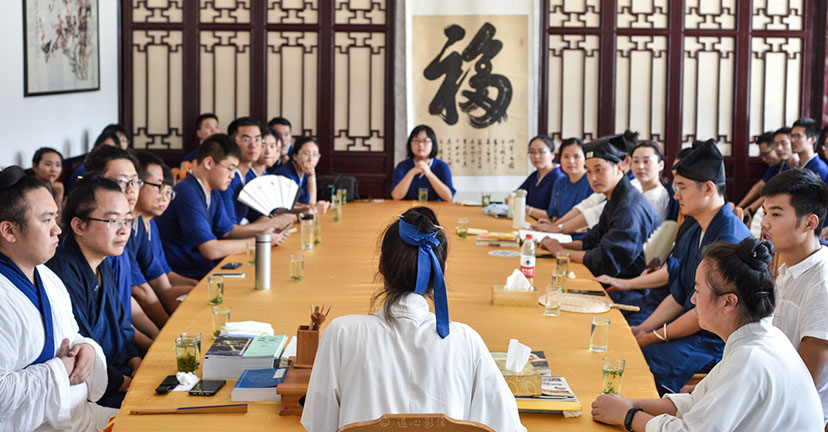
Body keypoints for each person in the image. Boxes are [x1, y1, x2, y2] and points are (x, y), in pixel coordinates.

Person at [302, 207, 525, 432]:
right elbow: (508, 427)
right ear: (442, 271)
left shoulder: (341, 334)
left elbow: (319, 424)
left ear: (381, 265)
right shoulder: (467, 341)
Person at [591, 238, 823, 431]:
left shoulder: (750, 358)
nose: (692, 300)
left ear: (728, 302)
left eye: (698, 290)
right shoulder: (758, 338)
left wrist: (628, 416)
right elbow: (694, 402)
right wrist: (629, 403)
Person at [0, 166, 116, 431]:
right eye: (46, 220)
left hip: (79, 415)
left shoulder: (46, 276)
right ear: (9, 230)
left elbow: (71, 335)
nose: (57, 230)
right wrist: (59, 369)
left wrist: (86, 350)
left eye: (56, 218)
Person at [630, 141, 751, 393]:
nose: (676, 196)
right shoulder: (694, 227)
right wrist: (644, 329)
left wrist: (652, 336)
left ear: (708, 188)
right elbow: (678, 294)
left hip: (713, 338)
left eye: (682, 187)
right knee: (631, 339)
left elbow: (704, 312)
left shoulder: (728, 238)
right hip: (688, 325)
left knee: (647, 360)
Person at [46, 175, 143, 409]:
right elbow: (81, 352)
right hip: (95, 392)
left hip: (123, 376)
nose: (124, 231)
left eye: (127, 220)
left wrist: (138, 364)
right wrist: (131, 384)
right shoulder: (62, 273)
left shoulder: (101, 261)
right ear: (79, 225)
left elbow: (123, 325)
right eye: (113, 221)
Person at [539, 135, 660, 311]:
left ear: (619, 167)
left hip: (631, 294)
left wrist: (561, 252)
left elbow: (605, 261)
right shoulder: (615, 197)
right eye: (588, 171)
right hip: (611, 283)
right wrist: (558, 244)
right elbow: (593, 239)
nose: (593, 178)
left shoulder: (629, 207)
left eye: (599, 170)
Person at [155, 133, 294, 280]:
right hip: (186, 273)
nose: (232, 175)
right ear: (209, 163)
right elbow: (210, 250)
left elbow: (229, 231)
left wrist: (264, 233)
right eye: (230, 168)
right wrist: (261, 241)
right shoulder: (188, 192)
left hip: (204, 267)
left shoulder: (212, 191)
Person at [760, 168, 828, 425]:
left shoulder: (822, 283)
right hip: (773, 390)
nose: (765, 223)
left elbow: (805, 381)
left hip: (796, 414)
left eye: (776, 214)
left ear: (810, 223)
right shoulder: (787, 267)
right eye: (765, 212)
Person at [83, 146, 167, 348]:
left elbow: (125, 302)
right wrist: (152, 344)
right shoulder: (97, 240)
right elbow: (110, 321)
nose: (131, 189)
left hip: (127, 343)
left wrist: (159, 335)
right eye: (121, 181)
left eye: (135, 181)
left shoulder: (125, 229)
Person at [133, 151, 197, 313]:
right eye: (159, 187)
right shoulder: (129, 227)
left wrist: (198, 285)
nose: (164, 197)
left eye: (169, 193)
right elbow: (141, 291)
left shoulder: (150, 226)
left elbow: (162, 274)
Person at [533, 138, 592, 235]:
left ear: (585, 159)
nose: (571, 161)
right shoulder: (559, 183)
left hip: (582, 237)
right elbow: (555, 215)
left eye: (576, 156)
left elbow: (589, 222)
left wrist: (556, 227)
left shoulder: (592, 182)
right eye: (566, 156)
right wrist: (552, 224)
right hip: (558, 233)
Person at [390, 125, 455, 202]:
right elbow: (396, 196)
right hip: (408, 209)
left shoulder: (442, 166)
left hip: (434, 209)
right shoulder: (402, 166)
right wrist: (412, 172)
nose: (420, 144)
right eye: (416, 140)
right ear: (410, 144)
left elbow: (448, 197)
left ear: (433, 144)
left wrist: (429, 174)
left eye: (425, 141)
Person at [221, 117, 264, 224]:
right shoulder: (227, 178)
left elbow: (257, 214)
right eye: (246, 140)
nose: (253, 145)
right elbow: (229, 228)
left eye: (257, 139)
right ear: (232, 142)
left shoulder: (250, 176)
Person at [272, 136, 331, 213]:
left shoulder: (304, 172)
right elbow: (310, 203)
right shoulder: (286, 174)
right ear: (295, 156)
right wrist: (312, 176)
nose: (311, 159)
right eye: (306, 154)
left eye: (315, 155)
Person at [516, 135, 566, 220]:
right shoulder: (535, 175)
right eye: (532, 152)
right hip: (530, 222)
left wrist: (527, 209)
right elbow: (518, 195)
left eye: (541, 152)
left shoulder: (559, 178)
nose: (536, 156)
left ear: (552, 155)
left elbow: (555, 216)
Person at [736, 132, 782, 216]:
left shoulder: (788, 166)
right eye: (761, 155)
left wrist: (746, 212)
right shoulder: (774, 166)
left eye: (766, 154)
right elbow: (759, 186)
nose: (763, 159)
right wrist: (738, 207)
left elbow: (769, 195)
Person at [791, 117, 828, 182]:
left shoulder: (819, 168)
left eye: (798, 136)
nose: (792, 140)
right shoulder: (796, 165)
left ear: (812, 139)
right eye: (792, 136)